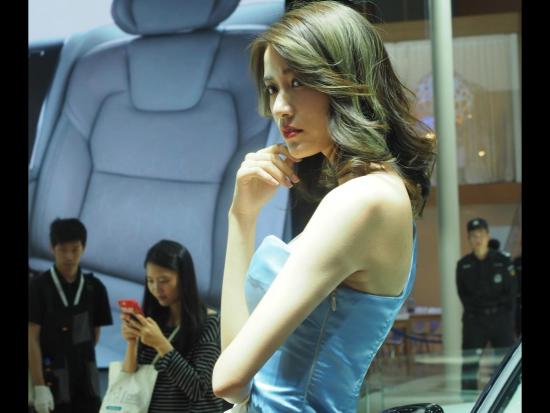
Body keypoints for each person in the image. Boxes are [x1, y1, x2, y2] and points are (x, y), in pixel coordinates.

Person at [211, 1, 436, 411]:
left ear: (344, 81)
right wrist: (241, 216)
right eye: (272, 88)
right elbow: (233, 360)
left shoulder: (361, 201)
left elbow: (229, 379)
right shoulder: (377, 194)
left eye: (297, 82)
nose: (279, 107)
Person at [120, 240, 223, 413]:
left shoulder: (210, 322)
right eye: (150, 280)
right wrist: (131, 343)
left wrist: (161, 344)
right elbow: (130, 379)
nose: (156, 288)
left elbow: (198, 389)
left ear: (184, 279)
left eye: (164, 280)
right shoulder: (153, 321)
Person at [29, 218, 113, 413]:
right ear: (52, 248)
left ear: (84, 248)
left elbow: (95, 335)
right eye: (62, 249)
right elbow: (31, 337)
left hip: (86, 378)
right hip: (50, 376)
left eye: (75, 249)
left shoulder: (95, 287)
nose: (69, 256)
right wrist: (40, 385)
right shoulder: (38, 287)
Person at [456, 218, 517, 392]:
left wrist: (506, 318)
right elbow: (463, 294)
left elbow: (511, 292)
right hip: (475, 320)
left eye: (481, 234)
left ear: (488, 236)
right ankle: (466, 399)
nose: (478, 239)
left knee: (506, 363)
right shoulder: (463, 265)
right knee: (470, 364)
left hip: (500, 319)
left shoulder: (503, 261)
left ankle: (508, 396)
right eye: (473, 236)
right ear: (469, 238)